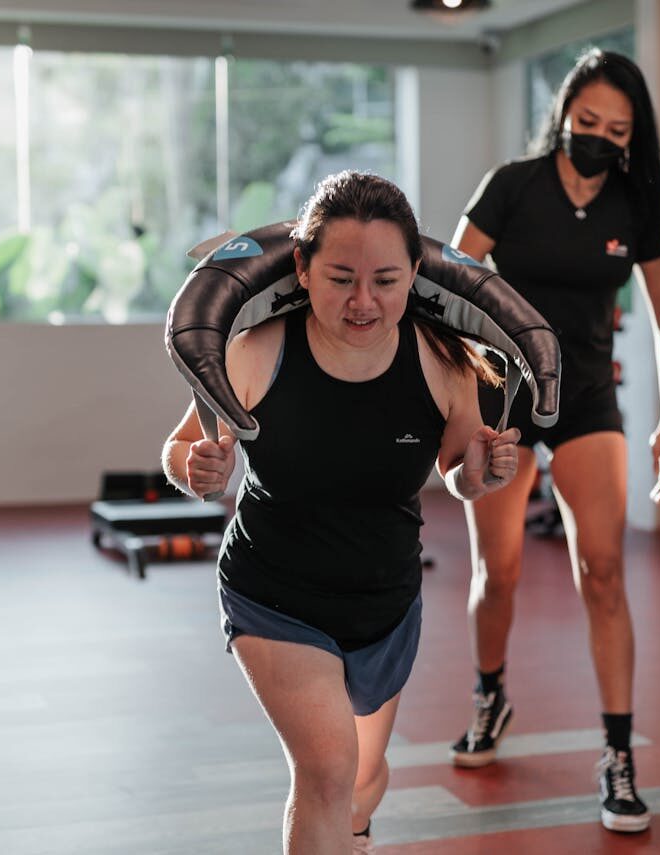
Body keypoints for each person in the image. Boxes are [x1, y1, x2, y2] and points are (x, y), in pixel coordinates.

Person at [162, 170, 521, 855]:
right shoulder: (256, 349)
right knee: (327, 771)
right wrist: (195, 468)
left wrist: (482, 470)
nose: (363, 301)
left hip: (385, 605)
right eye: (340, 278)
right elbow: (182, 447)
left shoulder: (443, 362)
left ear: (415, 272)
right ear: (301, 266)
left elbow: (458, 471)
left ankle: (352, 834)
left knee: (360, 779)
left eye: (385, 280)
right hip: (274, 596)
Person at [448, 48, 660, 835]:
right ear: (563, 115)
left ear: (632, 135)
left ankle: (618, 754)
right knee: (501, 570)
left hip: (586, 397)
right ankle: (490, 696)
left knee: (606, 570)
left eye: (616, 129)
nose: (598, 137)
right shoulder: (511, 186)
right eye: (587, 121)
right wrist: (461, 398)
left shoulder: (634, 205)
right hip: (502, 400)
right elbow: (447, 286)